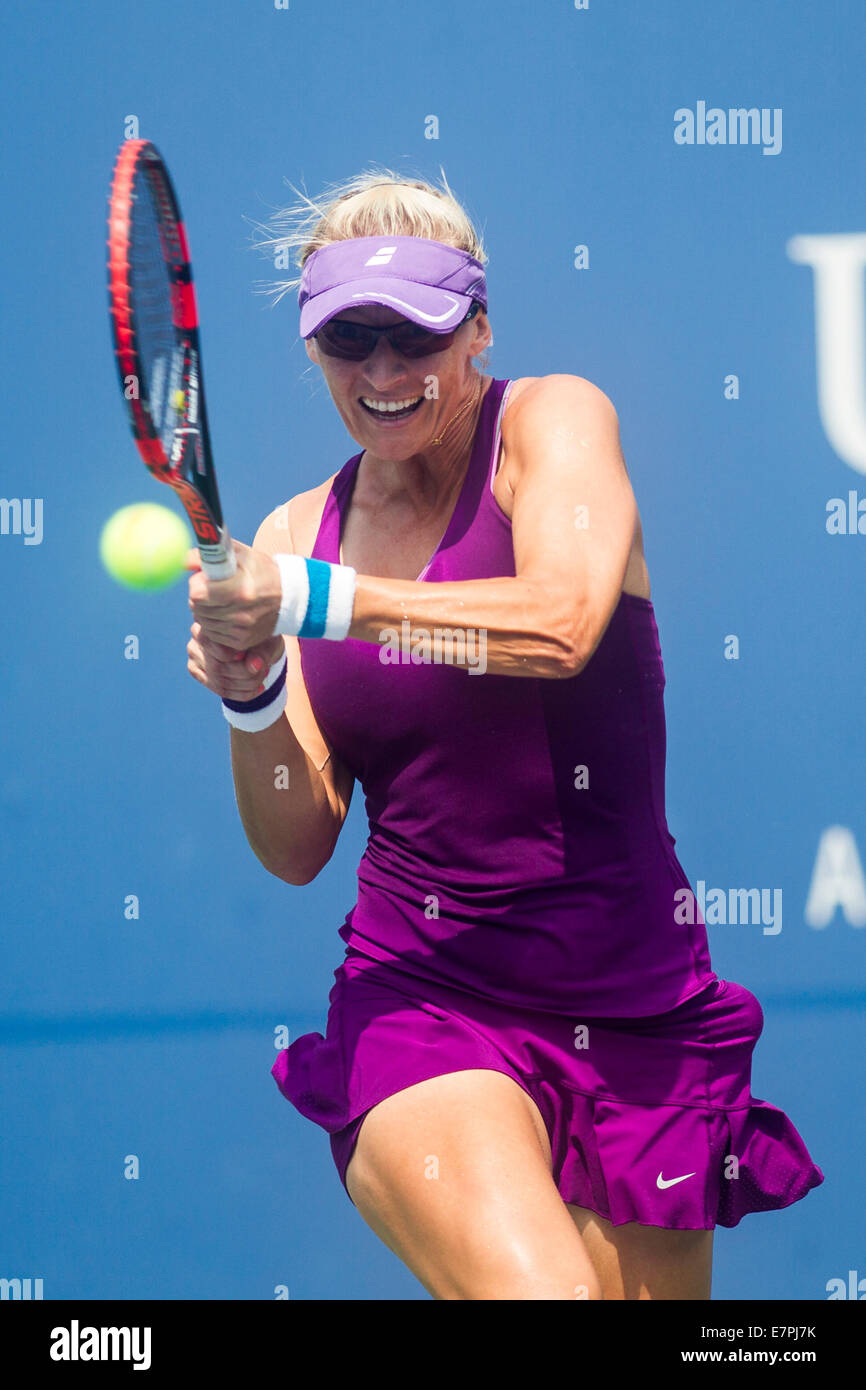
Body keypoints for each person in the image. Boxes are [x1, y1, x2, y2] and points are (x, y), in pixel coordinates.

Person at [185, 169, 824, 1301]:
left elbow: (561, 621)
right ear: (312, 346)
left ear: (476, 326)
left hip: (639, 997)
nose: (382, 373)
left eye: (413, 336)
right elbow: (294, 845)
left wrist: (319, 601)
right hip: (423, 993)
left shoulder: (553, 422)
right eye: (348, 340)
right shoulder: (298, 531)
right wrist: (250, 693)